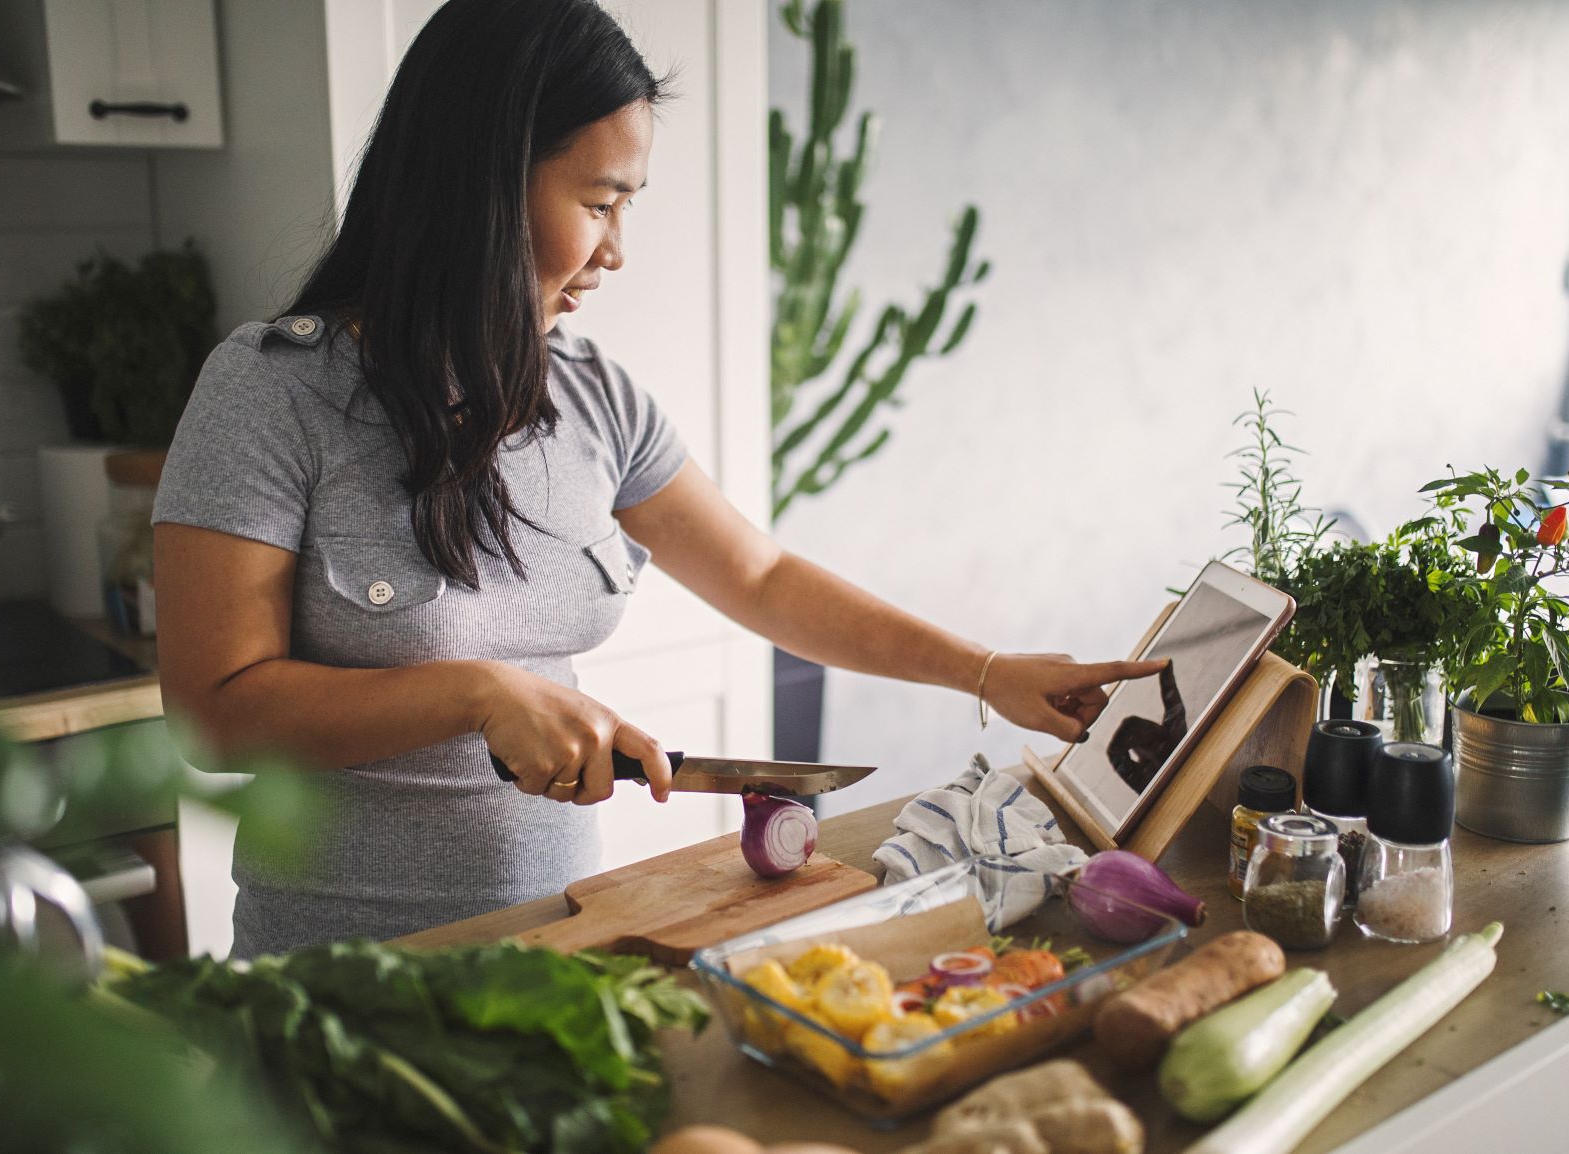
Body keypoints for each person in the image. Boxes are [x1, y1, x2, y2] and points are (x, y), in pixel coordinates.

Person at [152, 0, 1165, 957]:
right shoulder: (271, 391)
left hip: (558, 945)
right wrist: (472, 691)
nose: (616, 251)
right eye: (599, 202)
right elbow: (214, 710)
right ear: (481, 183)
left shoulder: (596, 398)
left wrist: (986, 672)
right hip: (339, 978)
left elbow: (761, 578)